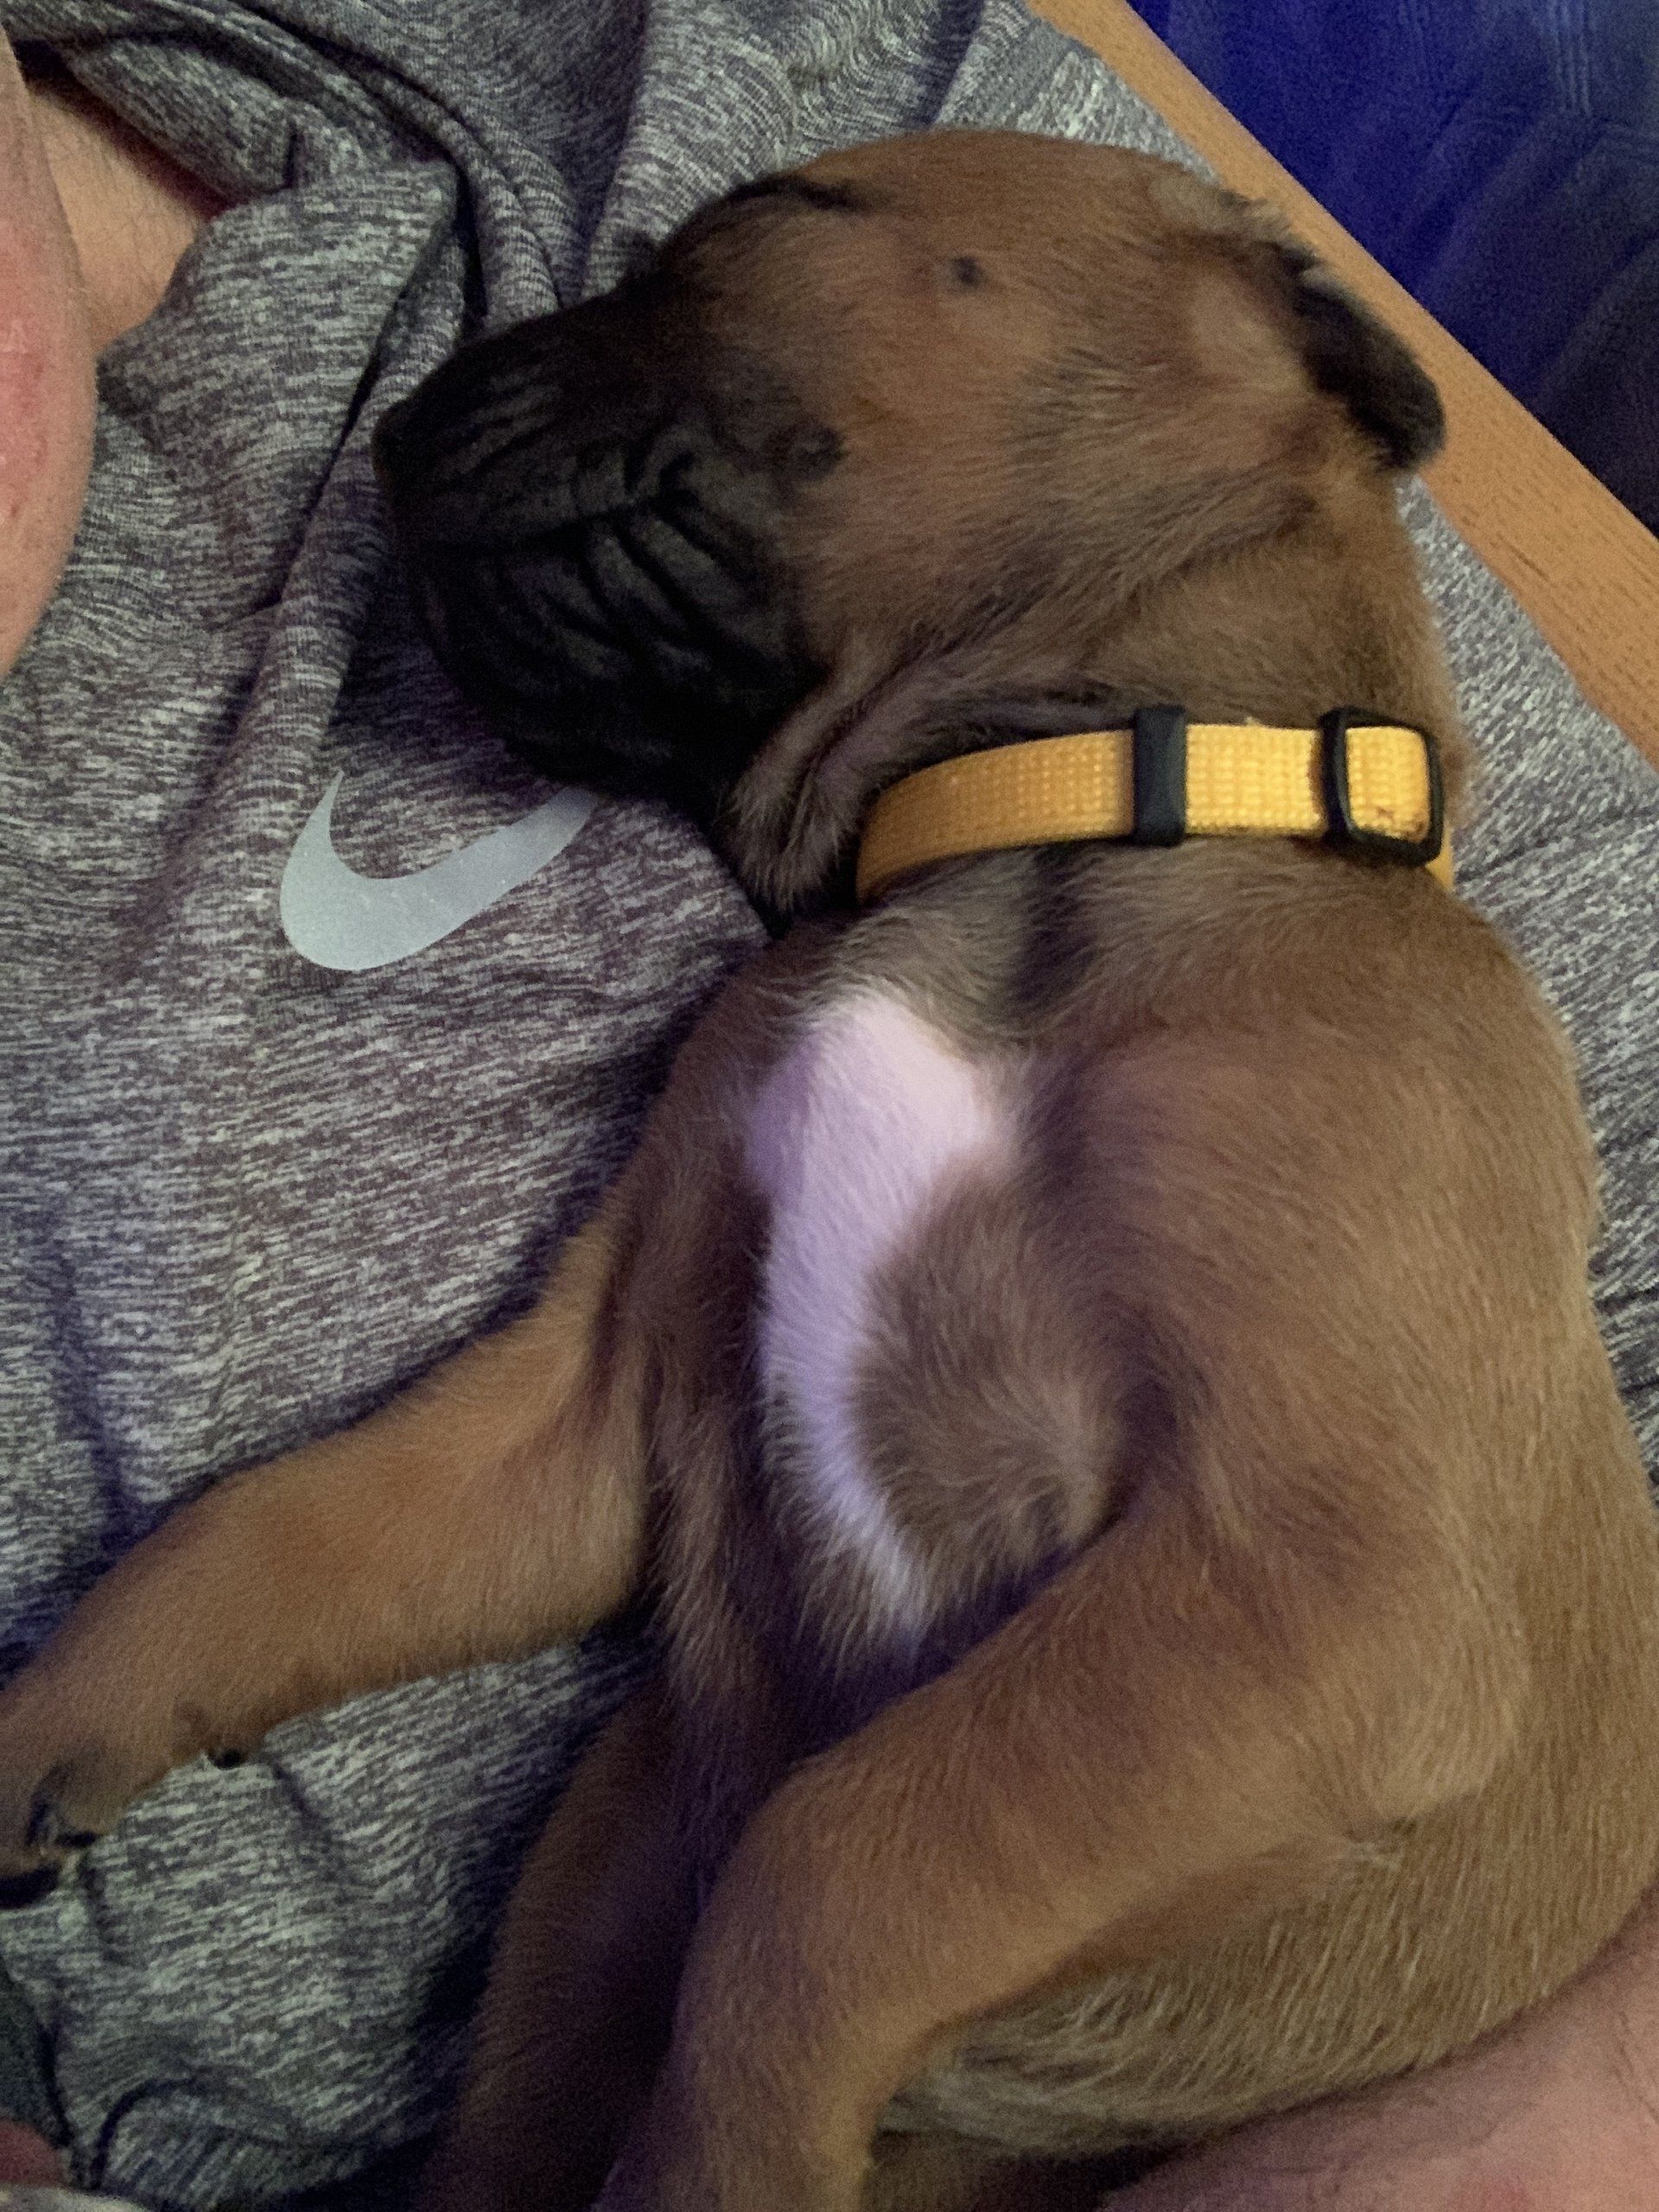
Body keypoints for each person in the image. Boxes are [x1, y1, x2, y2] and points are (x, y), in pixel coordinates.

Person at [0, 3, 1655, 2207]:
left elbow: (1366, 1646)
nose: (447, 434)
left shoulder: (1384, 1027)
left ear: (1255, 339)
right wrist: (91, 1701)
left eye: (724, 255)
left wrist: (793, 1994)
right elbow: (580, 1421)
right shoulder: (829, 981)